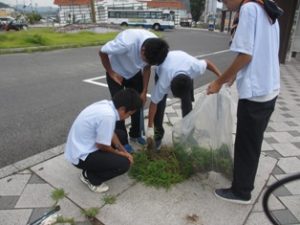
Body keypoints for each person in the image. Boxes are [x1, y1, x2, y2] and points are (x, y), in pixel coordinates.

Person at [207, 0, 283, 204]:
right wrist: (233, 76)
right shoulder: (266, 6)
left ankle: (241, 191)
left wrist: (219, 81)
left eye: (224, 0)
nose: (224, 3)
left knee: (246, 144)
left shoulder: (249, 9)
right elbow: (259, 50)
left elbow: (246, 55)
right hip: (270, 86)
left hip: (256, 91)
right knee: (252, 142)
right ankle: (243, 180)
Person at [99, 29, 169, 151]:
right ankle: (122, 141)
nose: (146, 62)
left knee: (138, 102)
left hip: (134, 73)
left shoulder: (154, 45)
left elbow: (147, 68)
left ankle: (135, 134)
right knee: (120, 107)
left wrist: (144, 91)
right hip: (116, 72)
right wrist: (111, 72)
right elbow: (102, 51)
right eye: (145, 59)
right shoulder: (126, 43)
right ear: (142, 50)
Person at [64, 89, 142, 193]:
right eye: (129, 114)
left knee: (121, 135)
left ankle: (96, 168)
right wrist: (121, 155)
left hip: (80, 147)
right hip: (81, 156)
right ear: (123, 109)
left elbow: (111, 133)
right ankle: (91, 177)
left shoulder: (107, 106)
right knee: (124, 163)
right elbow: (102, 145)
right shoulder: (108, 116)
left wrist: (124, 151)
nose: (128, 117)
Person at [146, 50, 222, 149]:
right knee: (159, 106)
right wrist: (149, 127)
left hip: (184, 65)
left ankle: (189, 135)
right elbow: (153, 103)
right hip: (165, 67)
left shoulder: (194, 67)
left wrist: (221, 78)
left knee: (187, 105)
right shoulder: (163, 81)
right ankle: (158, 136)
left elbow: (207, 63)